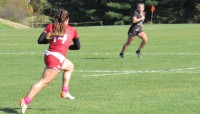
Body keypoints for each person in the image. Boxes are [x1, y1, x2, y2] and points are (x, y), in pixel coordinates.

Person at [19, 9, 80, 114]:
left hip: (49, 55)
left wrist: (51, 39)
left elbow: (40, 41)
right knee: (44, 82)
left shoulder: (50, 26)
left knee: (70, 66)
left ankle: (65, 91)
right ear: (67, 19)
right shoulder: (72, 30)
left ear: (56, 19)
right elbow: (77, 46)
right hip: (57, 57)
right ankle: (25, 101)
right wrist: (67, 47)